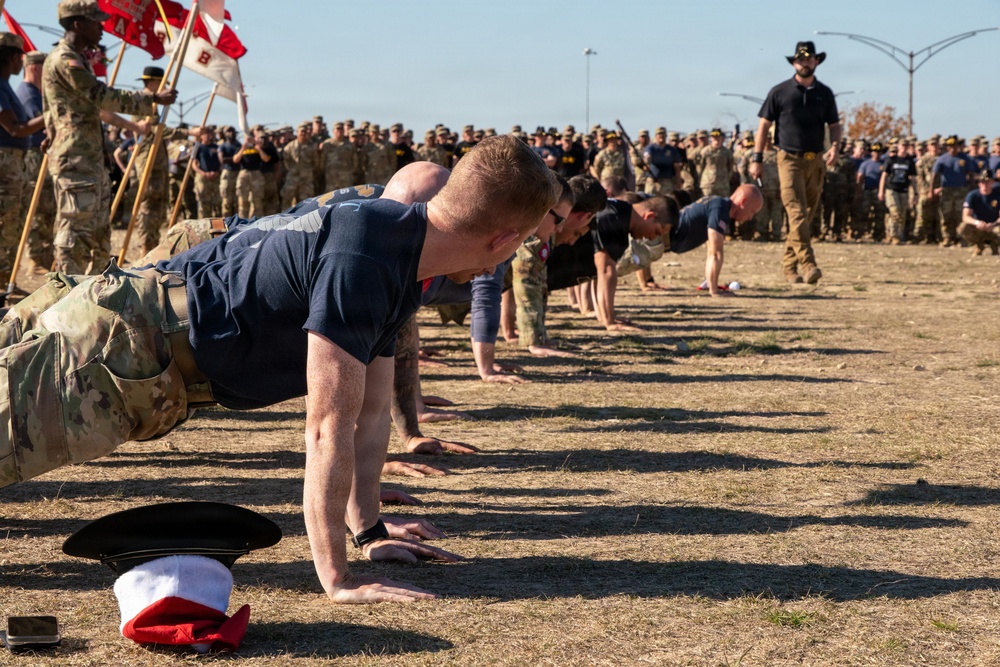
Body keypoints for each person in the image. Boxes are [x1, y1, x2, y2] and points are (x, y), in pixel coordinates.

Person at [0, 135, 559, 603]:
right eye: (521, 244)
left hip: (135, 345)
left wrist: (368, 531)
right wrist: (337, 579)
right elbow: (327, 427)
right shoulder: (367, 257)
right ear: (504, 240)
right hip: (114, 352)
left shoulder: (401, 255)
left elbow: (370, 415)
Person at [750, 40, 841, 284]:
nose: (805, 63)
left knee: (806, 215)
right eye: (801, 60)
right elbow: (764, 125)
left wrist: (835, 147)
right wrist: (757, 158)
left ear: (817, 62)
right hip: (788, 159)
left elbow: (834, 125)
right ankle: (809, 264)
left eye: (809, 59)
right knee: (796, 212)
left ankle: (789, 267)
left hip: (816, 161)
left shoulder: (825, 93)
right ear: (794, 63)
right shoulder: (779, 92)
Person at [0, 34, 45, 279]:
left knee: (12, 224)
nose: (21, 62)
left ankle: (5, 280)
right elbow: (15, 129)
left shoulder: (6, 85)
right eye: (19, 57)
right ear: (10, 57)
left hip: (13, 163)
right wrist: (53, 115)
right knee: (5, 223)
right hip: (5, 162)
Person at [933, 135, 974, 247]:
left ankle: (961, 238)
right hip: (947, 190)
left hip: (961, 190)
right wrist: (931, 190)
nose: (953, 148)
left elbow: (970, 174)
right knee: (946, 215)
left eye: (955, 146)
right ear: (947, 147)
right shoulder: (942, 159)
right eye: (950, 146)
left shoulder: (965, 158)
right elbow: (935, 175)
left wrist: (970, 188)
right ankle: (947, 238)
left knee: (960, 215)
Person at [878, 141, 917, 244]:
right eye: (902, 145)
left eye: (906, 146)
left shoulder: (909, 161)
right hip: (891, 189)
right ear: (898, 147)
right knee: (895, 211)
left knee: (902, 214)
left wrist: (915, 193)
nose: (904, 148)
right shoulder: (891, 160)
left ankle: (895, 234)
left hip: (904, 190)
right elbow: (884, 176)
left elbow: (913, 178)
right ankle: (895, 236)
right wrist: (881, 191)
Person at [957, 169, 1000, 255]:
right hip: (978, 228)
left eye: (987, 182)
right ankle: (979, 244)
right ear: (979, 183)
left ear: (992, 182)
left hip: (994, 227)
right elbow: (965, 216)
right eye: (982, 182)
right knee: (963, 227)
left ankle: (995, 244)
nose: (985, 184)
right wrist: (977, 222)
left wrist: (994, 224)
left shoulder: (998, 195)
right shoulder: (972, 196)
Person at [192, 126, 222, 218]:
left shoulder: (216, 147)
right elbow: (193, 164)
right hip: (203, 178)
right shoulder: (197, 148)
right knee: (203, 203)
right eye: (205, 134)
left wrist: (217, 172)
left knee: (217, 202)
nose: (208, 136)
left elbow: (221, 162)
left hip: (215, 178)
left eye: (209, 134)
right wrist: (204, 174)